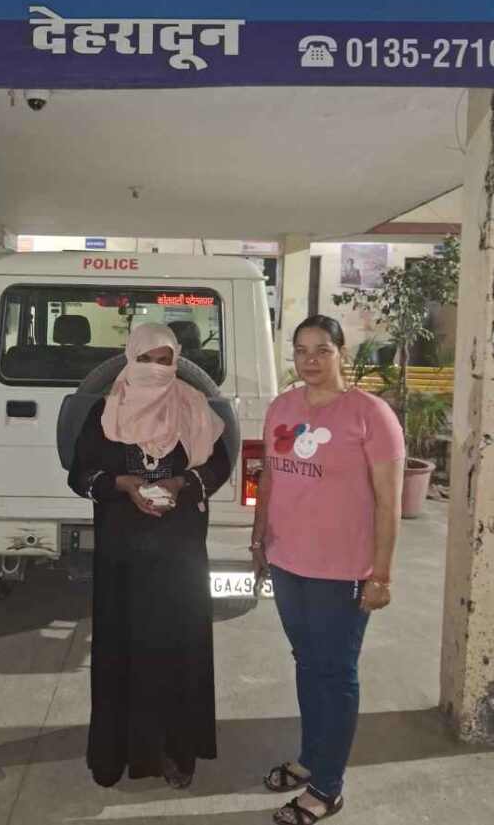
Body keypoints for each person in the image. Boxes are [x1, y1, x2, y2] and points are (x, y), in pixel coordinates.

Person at [251, 315, 404, 824]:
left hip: (342, 571)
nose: (310, 360)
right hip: (288, 561)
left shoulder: (370, 415)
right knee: (307, 662)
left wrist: (381, 575)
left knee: (336, 673)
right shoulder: (282, 407)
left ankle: (327, 788)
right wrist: (258, 538)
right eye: (301, 350)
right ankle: (311, 757)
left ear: (342, 353)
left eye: (322, 350)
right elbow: (270, 478)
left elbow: (389, 504)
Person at [68, 323, 230, 789]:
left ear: (177, 361)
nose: (156, 370)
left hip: (179, 555)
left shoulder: (193, 405)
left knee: (178, 650)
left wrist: (181, 483)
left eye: (165, 360)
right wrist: (122, 484)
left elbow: (218, 465)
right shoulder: (105, 410)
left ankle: (177, 751)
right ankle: (115, 752)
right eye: (146, 360)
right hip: (122, 555)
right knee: (120, 649)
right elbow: (80, 474)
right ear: (129, 359)